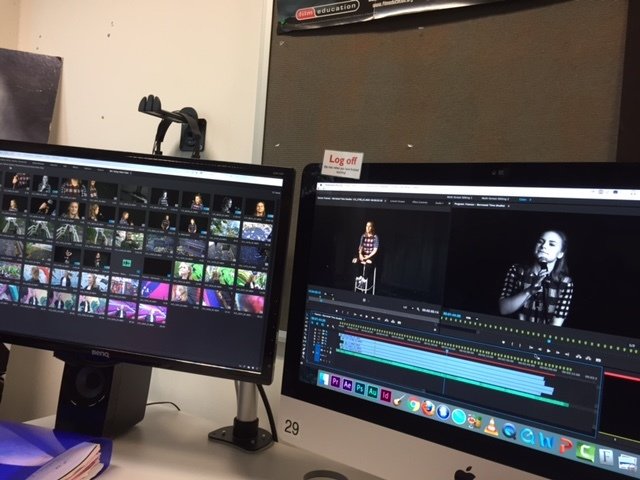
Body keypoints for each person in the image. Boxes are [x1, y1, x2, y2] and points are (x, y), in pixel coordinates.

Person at [498, 230, 573, 326]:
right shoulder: (517, 270)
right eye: (541, 241)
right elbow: (503, 309)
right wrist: (529, 291)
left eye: (551, 244)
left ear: (560, 253)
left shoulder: (565, 283)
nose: (543, 246)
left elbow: (557, 323)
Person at [352, 221, 379, 290]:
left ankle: (364, 279)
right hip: (363, 254)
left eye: (369, 226)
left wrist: (368, 257)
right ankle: (359, 277)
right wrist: (360, 254)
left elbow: (375, 250)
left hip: (371, 255)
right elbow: (360, 247)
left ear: (372, 228)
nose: (368, 227)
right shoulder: (363, 236)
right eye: (367, 226)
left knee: (369, 262)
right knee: (354, 260)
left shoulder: (375, 237)